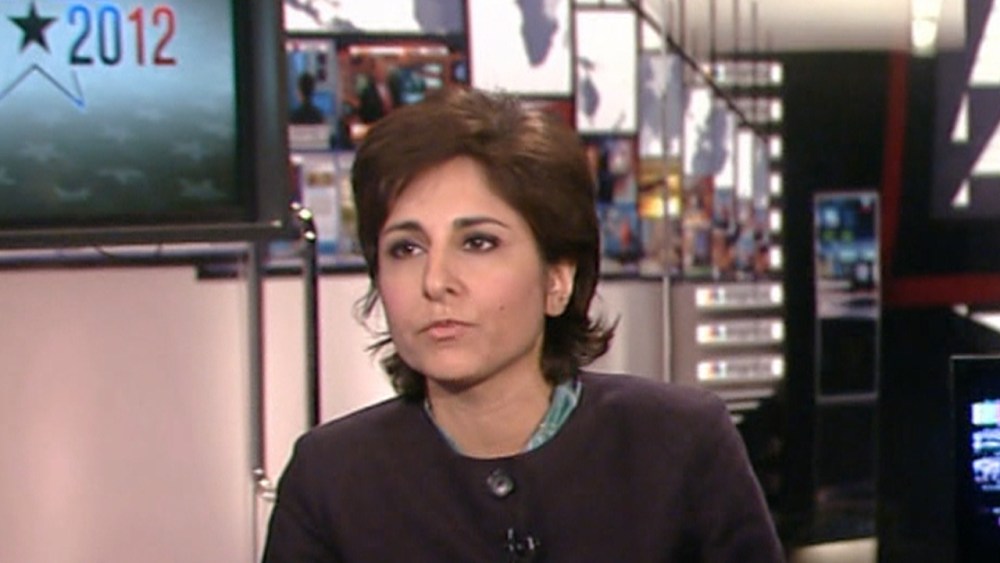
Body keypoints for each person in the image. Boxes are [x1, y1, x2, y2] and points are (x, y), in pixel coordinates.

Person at [261, 87, 785, 562]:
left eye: (478, 242)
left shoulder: (681, 445)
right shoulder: (329, 479)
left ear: (557, 279)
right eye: (406, 248)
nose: (435, 281)